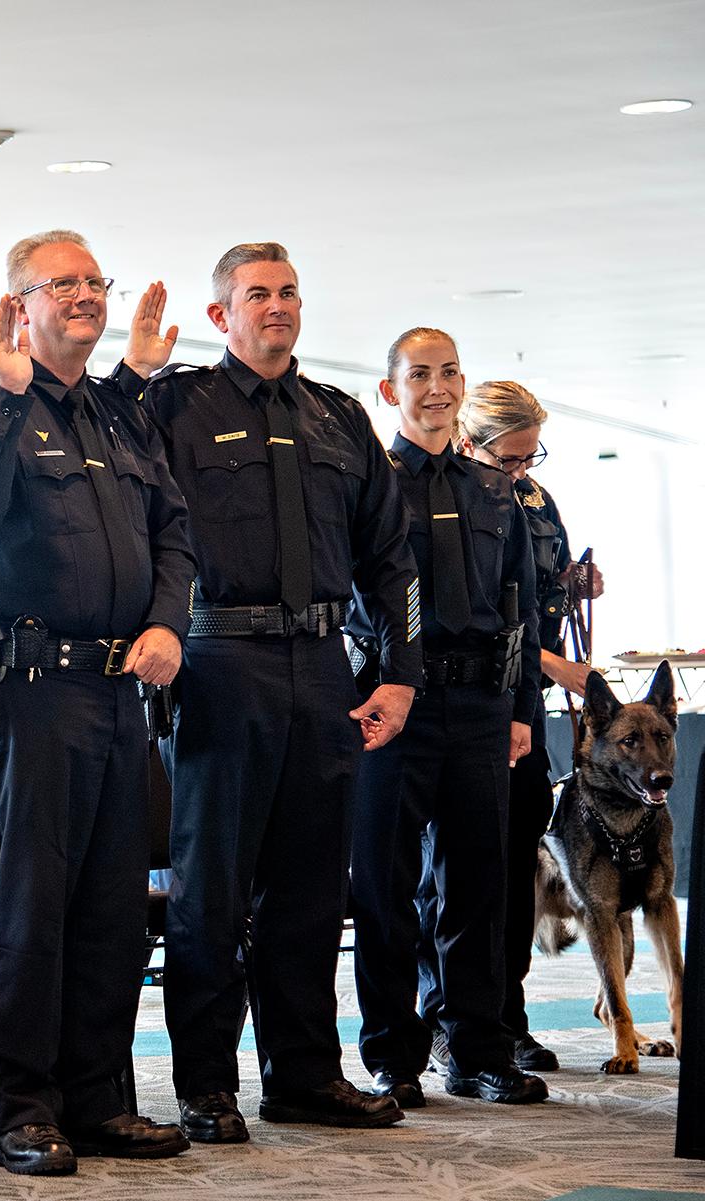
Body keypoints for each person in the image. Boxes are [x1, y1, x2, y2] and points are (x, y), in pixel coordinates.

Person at [112, 243, 422, 1140]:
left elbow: (391, 560)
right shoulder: (174, 401)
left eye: (289, 292)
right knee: (212, 887)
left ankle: (304, 1075)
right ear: (221, 316)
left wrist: (399, 674)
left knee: (313, 887)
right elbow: (108, 442)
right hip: (218, 663)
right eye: (258, 294)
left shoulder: (337, 417)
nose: (278, 306)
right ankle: (206, 1083)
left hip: (324, 668)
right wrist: (136, 367)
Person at [0, 230, 197, 1174]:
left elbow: (175, 533)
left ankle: (96, 1099)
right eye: (62, 283)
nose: (84, 294)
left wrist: (167, 623)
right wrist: (5, 396)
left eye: (94, 281)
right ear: (20, 304)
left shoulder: (118, 417)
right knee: (31, 909)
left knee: (112, 911)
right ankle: (23, 1107)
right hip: (23, 695)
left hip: (120, 689)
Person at [347, 329, 547, 1108]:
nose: (438, 386)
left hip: (479, 706)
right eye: (420, 374)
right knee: (387, 888)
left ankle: (477, 1049)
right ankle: (393, 1054)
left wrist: (523, 710)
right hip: (392, 709)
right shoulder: (368, 482)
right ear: (390, 390)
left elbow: (521, 611)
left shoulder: (496, 489)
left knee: (478, 885)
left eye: (449, 371)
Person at [417, 380, 605, 1074]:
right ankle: (444, 1016)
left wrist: (576, 583)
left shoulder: (530, 498)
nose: (523, 472)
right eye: (512, 459)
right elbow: (473, 612)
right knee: (454, 872)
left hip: (520, 707)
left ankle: (503, 1014)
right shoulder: (448, 495)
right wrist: (554, 665)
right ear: (471, 440)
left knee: (513, 863)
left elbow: (538, 589)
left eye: (533, 457)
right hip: (465, 699)